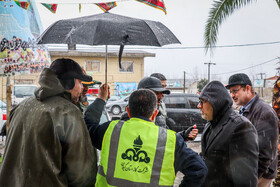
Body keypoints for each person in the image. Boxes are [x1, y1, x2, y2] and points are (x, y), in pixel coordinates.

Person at [0, 58, 97, 186]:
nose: (82, 88)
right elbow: (81, 175)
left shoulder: (21, 106)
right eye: (80, 82)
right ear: (69, 83)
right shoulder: (68, 112)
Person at [85, 86, 207, 187]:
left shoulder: (111, 130)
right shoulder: (171, 140)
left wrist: (101, 98)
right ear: (155, 114)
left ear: (128, 111)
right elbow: (199, 170)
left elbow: (88, 126)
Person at [199, 80, 259, 187]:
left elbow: (246, 179)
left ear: (215, 102)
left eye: (203, 102)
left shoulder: (240, 127)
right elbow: (207, 157)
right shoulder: (211, 124)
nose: (199, 106)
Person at [226, 73, 279, 187]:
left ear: (248, 88)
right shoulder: (245, 110)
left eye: (235, 91)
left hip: (259, 176)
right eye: (230, 92)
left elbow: (265, 154)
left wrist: (251, 178)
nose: (232, 95)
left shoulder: (264, 112)